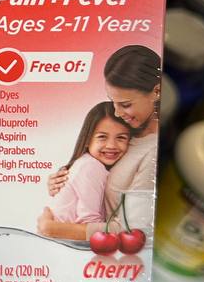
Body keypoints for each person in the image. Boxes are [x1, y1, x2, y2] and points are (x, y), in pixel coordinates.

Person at [38, 45, 161, 241]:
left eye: (125, 104)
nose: (118, 113)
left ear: (157, 91)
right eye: (113, 102)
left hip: (103, 249)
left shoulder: (153, 151)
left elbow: (135, 231)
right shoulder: (128, 131)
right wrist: (66, 182)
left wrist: (53, 228)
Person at [39, 102, 131, 239]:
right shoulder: (91, 167)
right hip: (66, 242)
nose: (111, 145)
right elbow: (89, 221)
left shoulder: (88, 164)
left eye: (121, 137)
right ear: (87, 140)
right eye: (102, 137)